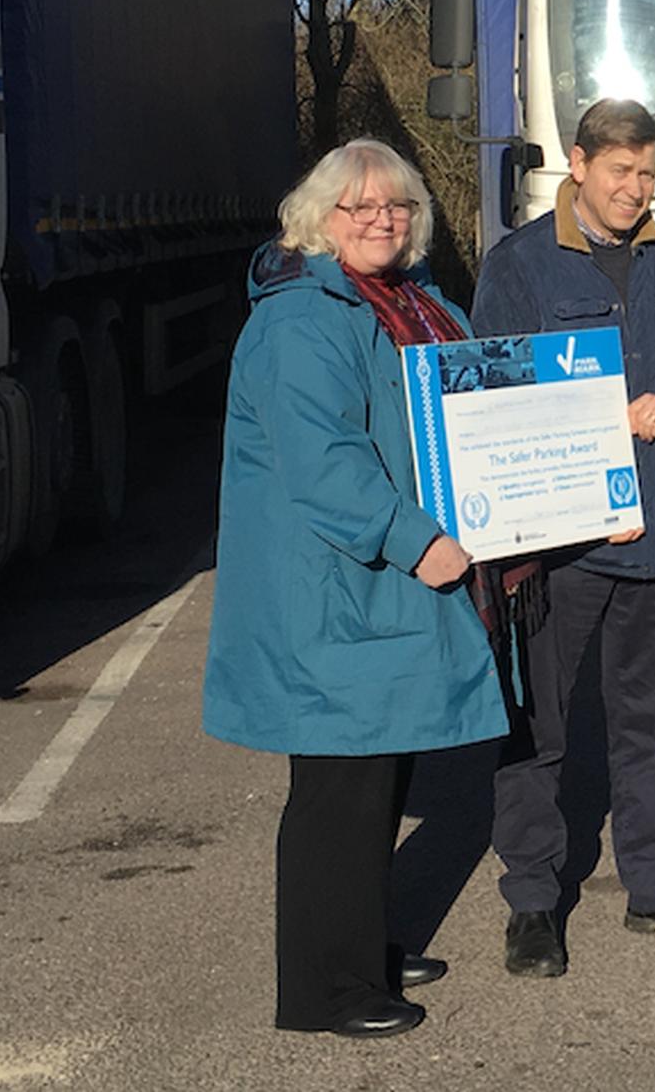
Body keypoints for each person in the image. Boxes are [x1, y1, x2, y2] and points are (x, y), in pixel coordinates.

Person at [203, 140, 507, 1037]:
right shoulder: (302, 321)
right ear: (318, 220)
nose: (383, 219)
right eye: (361, 207)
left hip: (380, 591)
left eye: (399, 206)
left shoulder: (410, 303)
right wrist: (415, 542)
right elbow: (327, 465)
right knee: (340, 793)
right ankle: (326, 988)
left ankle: (365, 942)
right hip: (335, 591)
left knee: (379, 775)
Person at [470, 99, 655, 976]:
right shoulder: (519, 265)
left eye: (648, 173)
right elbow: (488, 394)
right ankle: (533, 902)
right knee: (538, 728)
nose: (636, 189)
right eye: (620, 171)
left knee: (648, 724)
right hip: (562, 546)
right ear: (578, 166)